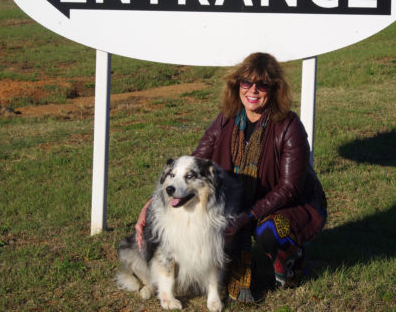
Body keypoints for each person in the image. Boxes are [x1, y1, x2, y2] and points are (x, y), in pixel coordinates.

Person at [136, 52, 327, 302]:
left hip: (289, 205)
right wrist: (150, 205)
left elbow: (289, 188)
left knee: (269, 230)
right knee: (226, 262)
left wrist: (245, 217)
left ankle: (293, 264)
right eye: (246, 83)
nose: (253, 91)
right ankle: (244, 259)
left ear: (275, 88)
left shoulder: (289, 126)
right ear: (236, 85)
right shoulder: (226, 119)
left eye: (262, 84)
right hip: (238, 202)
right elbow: (195, 163)